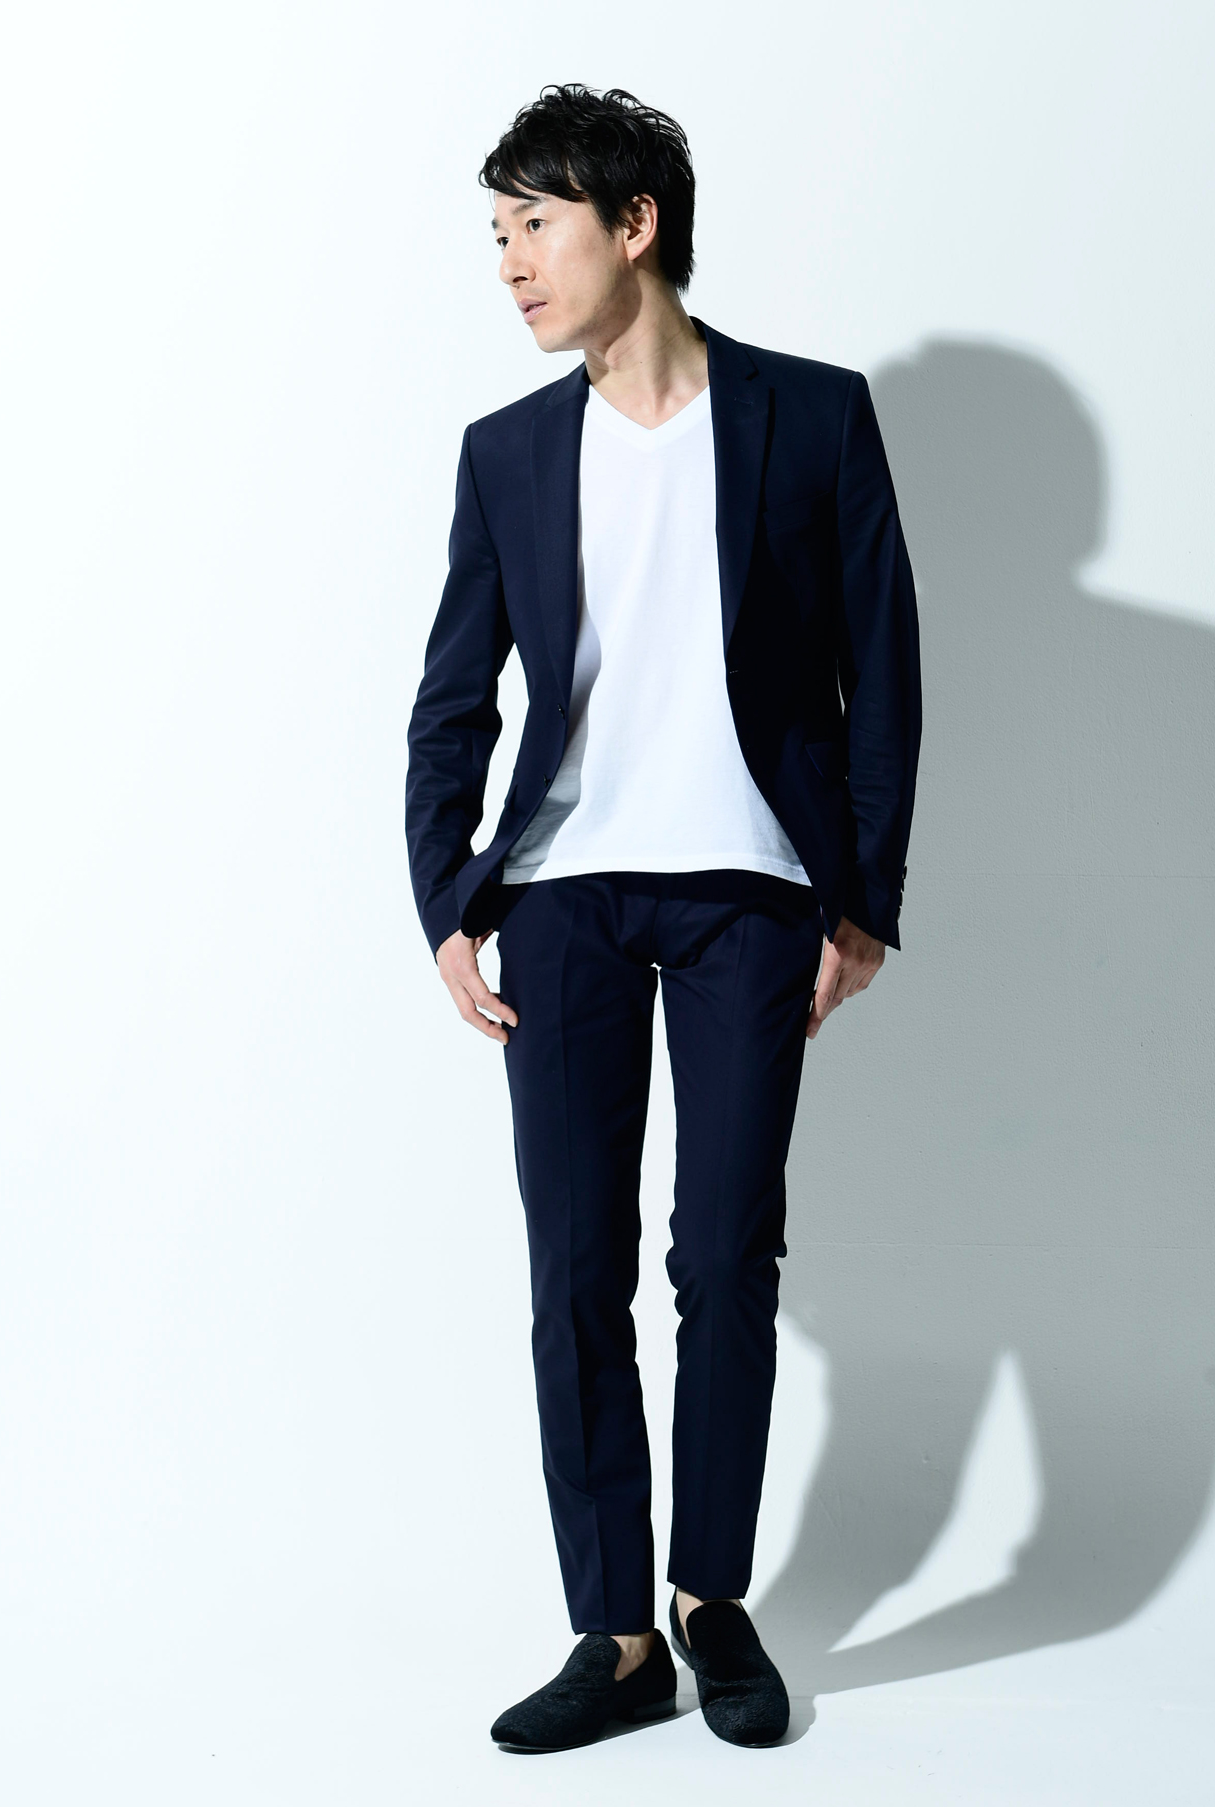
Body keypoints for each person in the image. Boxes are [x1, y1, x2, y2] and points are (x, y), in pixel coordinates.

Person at [405, 83, 922, 1753]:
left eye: (535, 224)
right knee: (576, 1271)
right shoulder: (505, 453)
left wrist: (862, 898)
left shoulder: (812, 417)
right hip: (560, 902)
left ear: (635, 226)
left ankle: (711, 1599)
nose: (509, 263)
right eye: (497, 232)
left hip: (749, 896)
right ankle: (618, 1634)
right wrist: (445, 900)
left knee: (724, 1259)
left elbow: (883, 671)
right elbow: (453, 700)